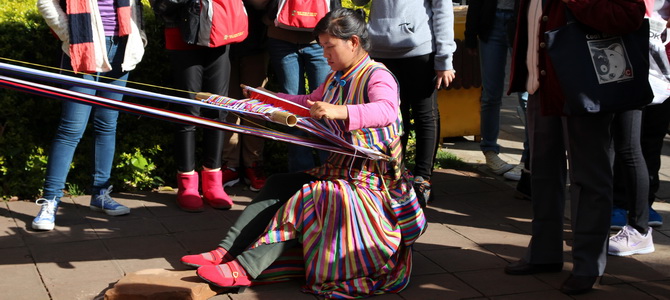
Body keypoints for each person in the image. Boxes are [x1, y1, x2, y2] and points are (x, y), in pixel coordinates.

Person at [179, 8, 426, 297]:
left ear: (354, 42)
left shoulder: (378, 76)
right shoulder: (337, 77)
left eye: (330, 47)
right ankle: (225, 251)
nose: (325, 55)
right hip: (338, 173)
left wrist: (342, 111)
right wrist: (264, 99)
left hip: (370, 186)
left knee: (312, 196)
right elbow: (306, 103)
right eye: (322, 47)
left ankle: (243, 269)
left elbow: (385, 110)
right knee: (279, 184)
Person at [503, 0, 647, 295]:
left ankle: (588, 265)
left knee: (590, 178)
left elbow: (629, 13)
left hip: (583, 86)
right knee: (542, 172)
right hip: (541, 84)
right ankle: (544, 253)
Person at [32, 0, 147, 231]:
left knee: (107, 126)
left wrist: (139, 36)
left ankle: (100, 195)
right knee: (71, 130)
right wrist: (71, 34)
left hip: (122, 48)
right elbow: (45, 2)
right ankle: (50, 201)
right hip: (83, 47)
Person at [353, 0, 457, 207]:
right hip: (380, 50)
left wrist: (444, 59)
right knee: (391, 118)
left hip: (419, 51)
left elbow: (442, 10)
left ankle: (422, 179)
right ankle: (397, 176)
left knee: (424, 115)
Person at [150, 0, 233, 212]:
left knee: (218, 110)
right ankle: (186, 183)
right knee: (188, 112)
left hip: (219, 31)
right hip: (182, 35)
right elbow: (159, 6)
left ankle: (213, 181)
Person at [251, 0, 340, 173]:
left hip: (320, 39)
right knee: (290, 109)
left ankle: (329, 171)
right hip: (281, 37)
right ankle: (300, 173)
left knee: (325, 105)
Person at [464, 0, 529, 179]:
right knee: (490, 95)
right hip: (491, 23)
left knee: (526, 96)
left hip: (522, 24)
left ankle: (528, 159)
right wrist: (470, 35)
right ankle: (490, 150)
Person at [221, 1, 269, 192]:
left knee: (255, 107)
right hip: (222, 38)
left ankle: (253, 164)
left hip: (256, 39)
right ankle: (229, 164)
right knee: (227, 105)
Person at [608, 109, 655, 256]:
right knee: (611, 145)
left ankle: (640, 231)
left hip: (626, 89)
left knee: (628, 148)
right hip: (612, 89)